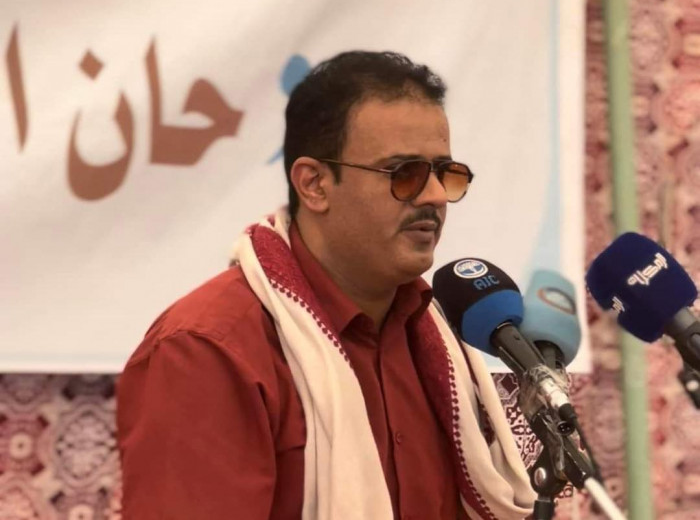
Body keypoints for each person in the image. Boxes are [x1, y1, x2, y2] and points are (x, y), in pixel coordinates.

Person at [117, 51, 535, 520]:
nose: (436, 196)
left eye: (444, 173)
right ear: (314, 184)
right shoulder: (208, 349)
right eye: (405, 174)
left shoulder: (441, 337)